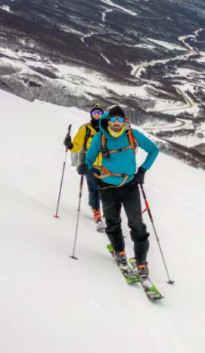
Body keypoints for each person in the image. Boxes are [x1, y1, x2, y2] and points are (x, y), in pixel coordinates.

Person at [77, 105, 160, 278]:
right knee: (113, 222)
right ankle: (119, 252)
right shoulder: (101, 136)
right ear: (109, 121)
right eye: (113, 119)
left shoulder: (132, 135)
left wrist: (143, 170)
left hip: (129, 186)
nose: (116, 123)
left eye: (120, 120)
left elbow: (154, 150)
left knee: (137, 224)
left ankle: (141, 262)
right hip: (107, 186)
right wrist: (85, 165)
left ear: (124, 121)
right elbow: (90, 157)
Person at [65, 102, 106, 233]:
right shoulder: (86, 129)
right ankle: (97, 213)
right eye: (94, 113)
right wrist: (70, 145)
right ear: (91, 114)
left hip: (106, 165)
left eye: (99, 113)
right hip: (91, 164)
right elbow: (77, 144)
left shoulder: (107, 129)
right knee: (94, 189)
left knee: (107, 190)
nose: (97, 115)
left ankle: (108, 213)